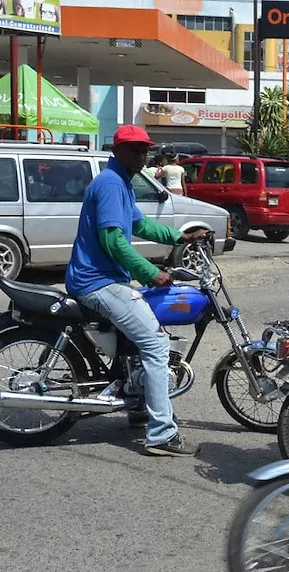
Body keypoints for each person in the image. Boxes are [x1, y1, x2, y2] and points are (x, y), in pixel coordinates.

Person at [64, 125, 210, 456]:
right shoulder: (112, 184)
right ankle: (161, 434)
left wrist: (180, 238)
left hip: (101, 277)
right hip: (96, 281)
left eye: (144, 150)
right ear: (117, 151)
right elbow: (113, 240)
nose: (141, 155)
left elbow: (140, 224)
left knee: (137, 334)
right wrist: (150, 273)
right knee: (156, 343)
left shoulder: (122, 183)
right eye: (133, 150)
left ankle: (139, 404)